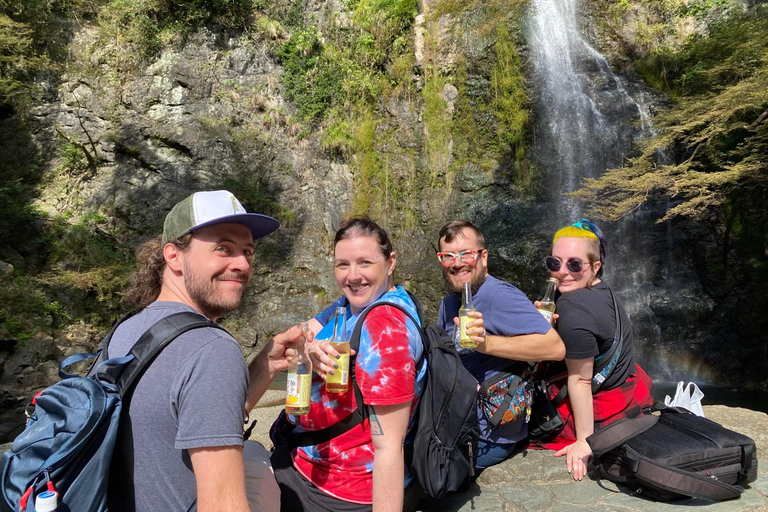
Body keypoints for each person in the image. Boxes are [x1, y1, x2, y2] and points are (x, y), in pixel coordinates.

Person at [108, 190, 304, 512]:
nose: (242, 264)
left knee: (252, 452)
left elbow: (198, 415)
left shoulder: (128, 329)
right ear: (173, 256)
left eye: (247, 252)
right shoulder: (212, 350)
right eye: (223, 248)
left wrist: (266, 365)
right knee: (257, 459)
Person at [271, 217, 427, 512]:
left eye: (365, 262)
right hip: (311, 459)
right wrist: (310, 345)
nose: (352, 276)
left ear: (390, 262)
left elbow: (388, 447)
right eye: (342, 265)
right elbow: (298, 335)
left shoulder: (386, 328)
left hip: (343, 488)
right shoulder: (348, 305)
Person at [435, 220, 565, 470]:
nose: (457, 263)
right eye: (448, 256)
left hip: (490, 436)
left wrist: (486, 344)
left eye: (467, 254)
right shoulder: (450, 302)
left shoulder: (499, 295)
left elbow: (554, 347)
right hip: (458, 424)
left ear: (484, 257)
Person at [537, 219, 654, 481]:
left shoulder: (573, 308)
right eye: (554, 263)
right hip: (629, 392)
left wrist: (586, 442)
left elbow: (580, 379)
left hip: (599, 408)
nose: (563, 272)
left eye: (575, 264)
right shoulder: (602, 290)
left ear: (595, 266)